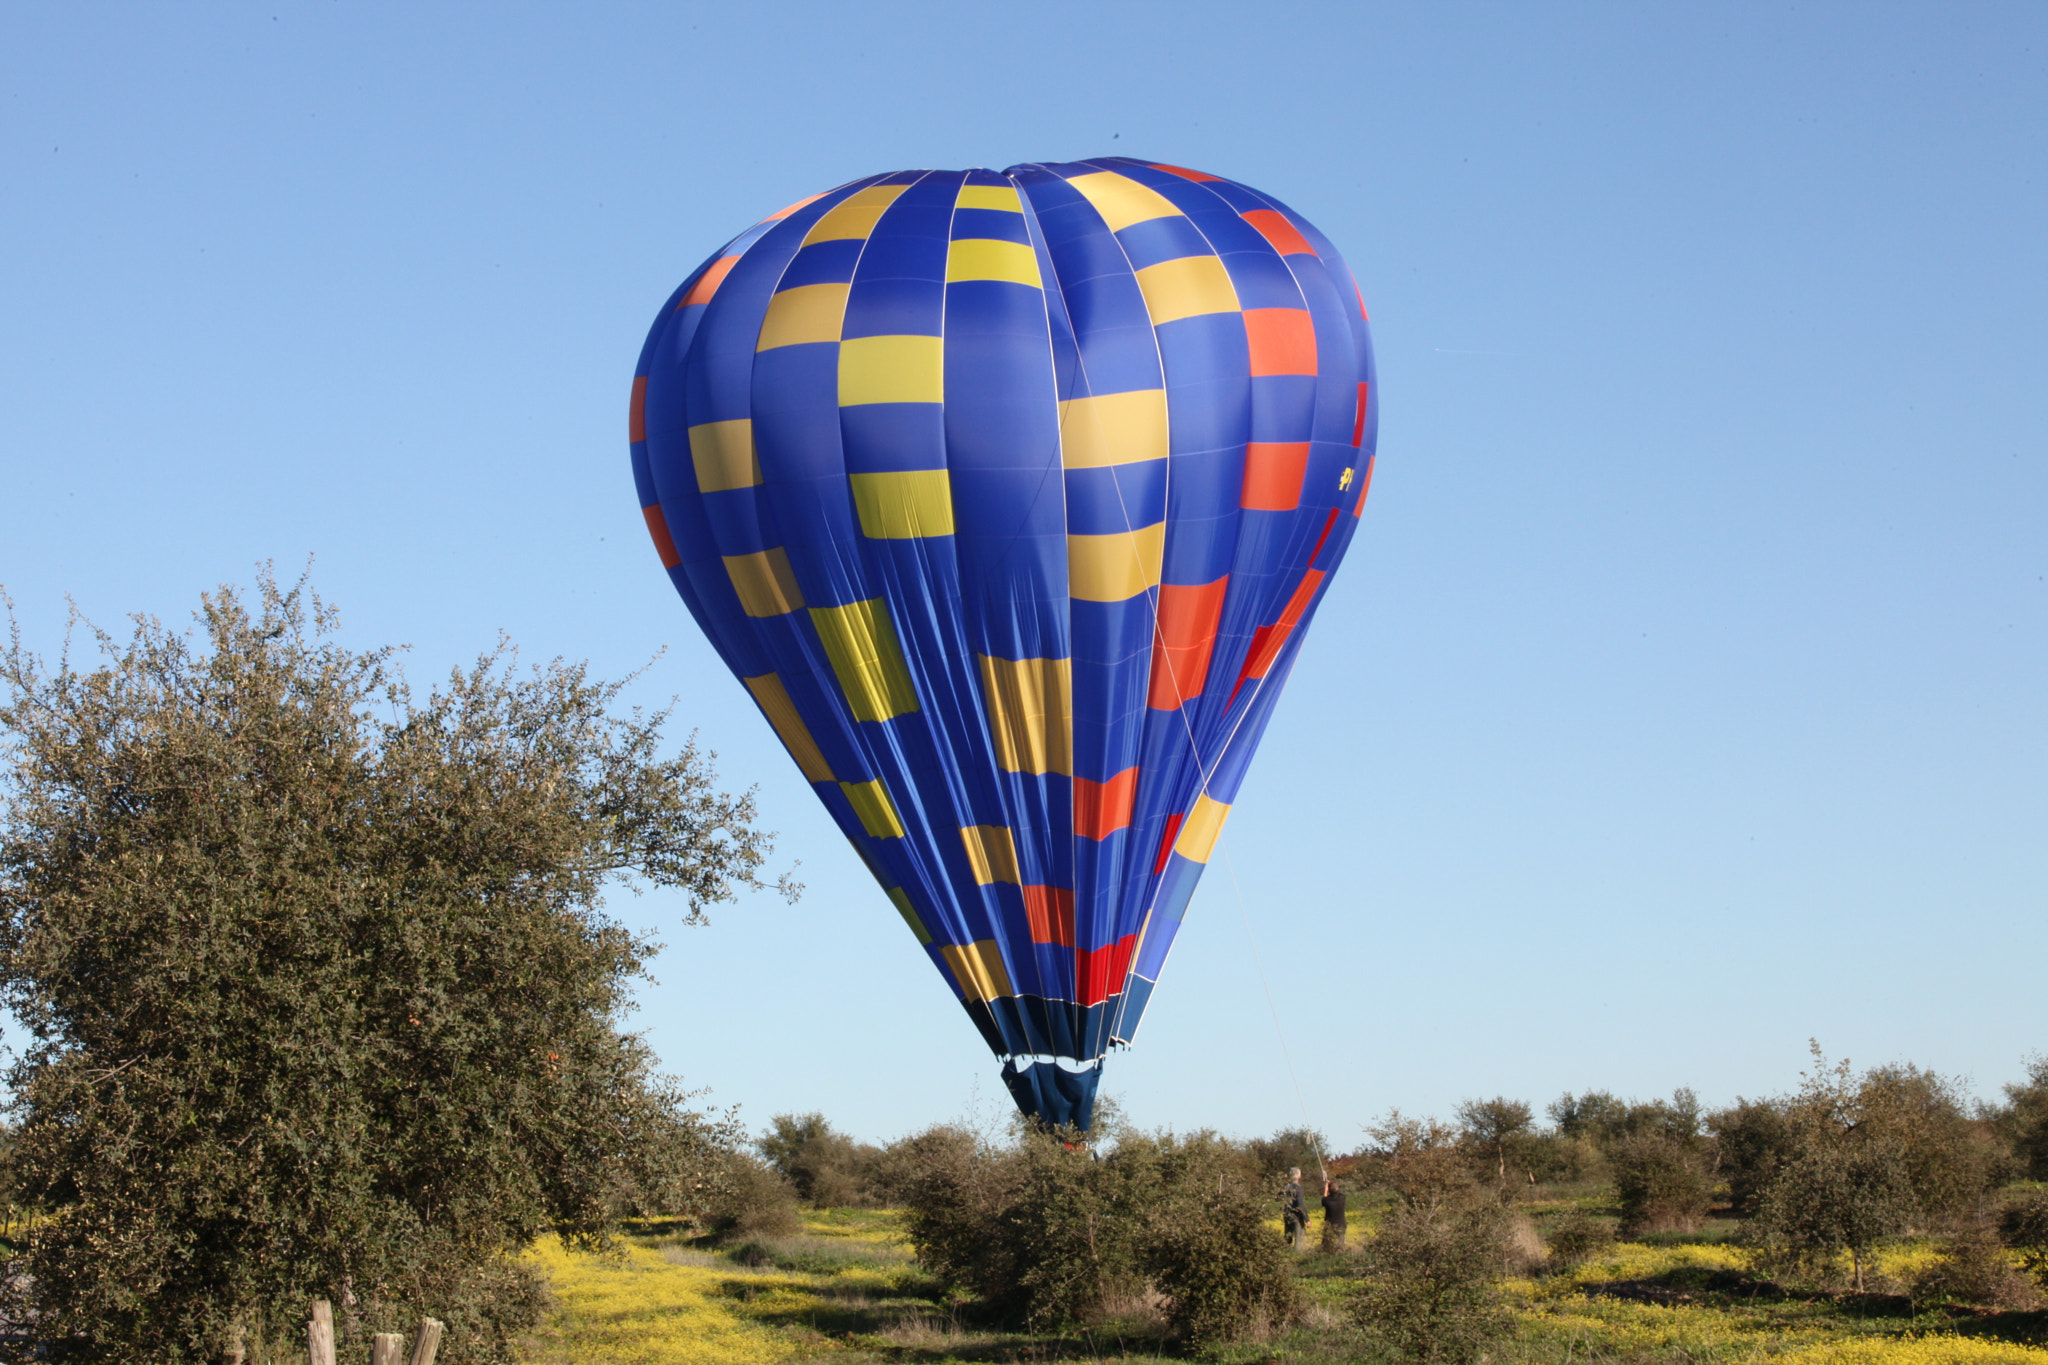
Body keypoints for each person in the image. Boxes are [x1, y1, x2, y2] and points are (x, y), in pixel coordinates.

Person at [1281, 1167, 1309, 1252]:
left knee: (1287, 1238)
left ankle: (1283, 1254)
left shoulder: (1286, 1187)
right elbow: (1300, 1204)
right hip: (1296, 1216)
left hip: (1287, 1214)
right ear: (1299, 1176)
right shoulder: (1298, 1188)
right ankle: (1296, 1256)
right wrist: (1307, 1219)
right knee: (1299, 1238)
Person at [1320, 1174, 1348, 1251]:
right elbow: (1339, 1192)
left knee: (1326, 1245)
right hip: (1341, 1225)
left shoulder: (1327, 1201)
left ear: (1329, 1190)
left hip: (1330, 1226)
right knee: (1340, 1245)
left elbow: (1323, 1198)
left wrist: (1326, 1188)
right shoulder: (1342, 1198)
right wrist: (1331, 1184)